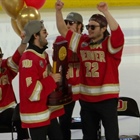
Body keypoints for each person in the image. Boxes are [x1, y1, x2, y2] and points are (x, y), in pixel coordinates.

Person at [55, 1, 125, 140]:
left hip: (107, 100)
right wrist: (58, 11)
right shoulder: (83, 42)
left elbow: (118, 33)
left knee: (112, 136)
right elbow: (64, 31)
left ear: (103, 28)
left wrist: (106, 12)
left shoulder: (110, 44)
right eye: (88, 26)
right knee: (89, 136)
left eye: (93, 27)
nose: (89, 29)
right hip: (86, 101)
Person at [18, 20, 62, 140]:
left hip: (47, 112)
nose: (47, 34)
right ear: (35, 36)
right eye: (44, 32)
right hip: (36, 115)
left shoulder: (43, 55)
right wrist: (51, 80)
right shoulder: (28, 59)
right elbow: (32, 93)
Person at [53, 12, 84, 140]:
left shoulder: (85, 40)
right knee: (64, 123)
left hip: (84, 89)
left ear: (80, 25)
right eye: (66, 22)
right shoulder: (60, 41)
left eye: (71, 23)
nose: (67, 25)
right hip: (67, 89)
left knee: (89, 122)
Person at [0, 38, 30, 139]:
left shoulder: (6, 66)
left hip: (7, 110)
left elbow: (17, 55)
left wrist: (24, 41)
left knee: (17, 112)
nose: (0, 59)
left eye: (0, 56)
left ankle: (23, 138)